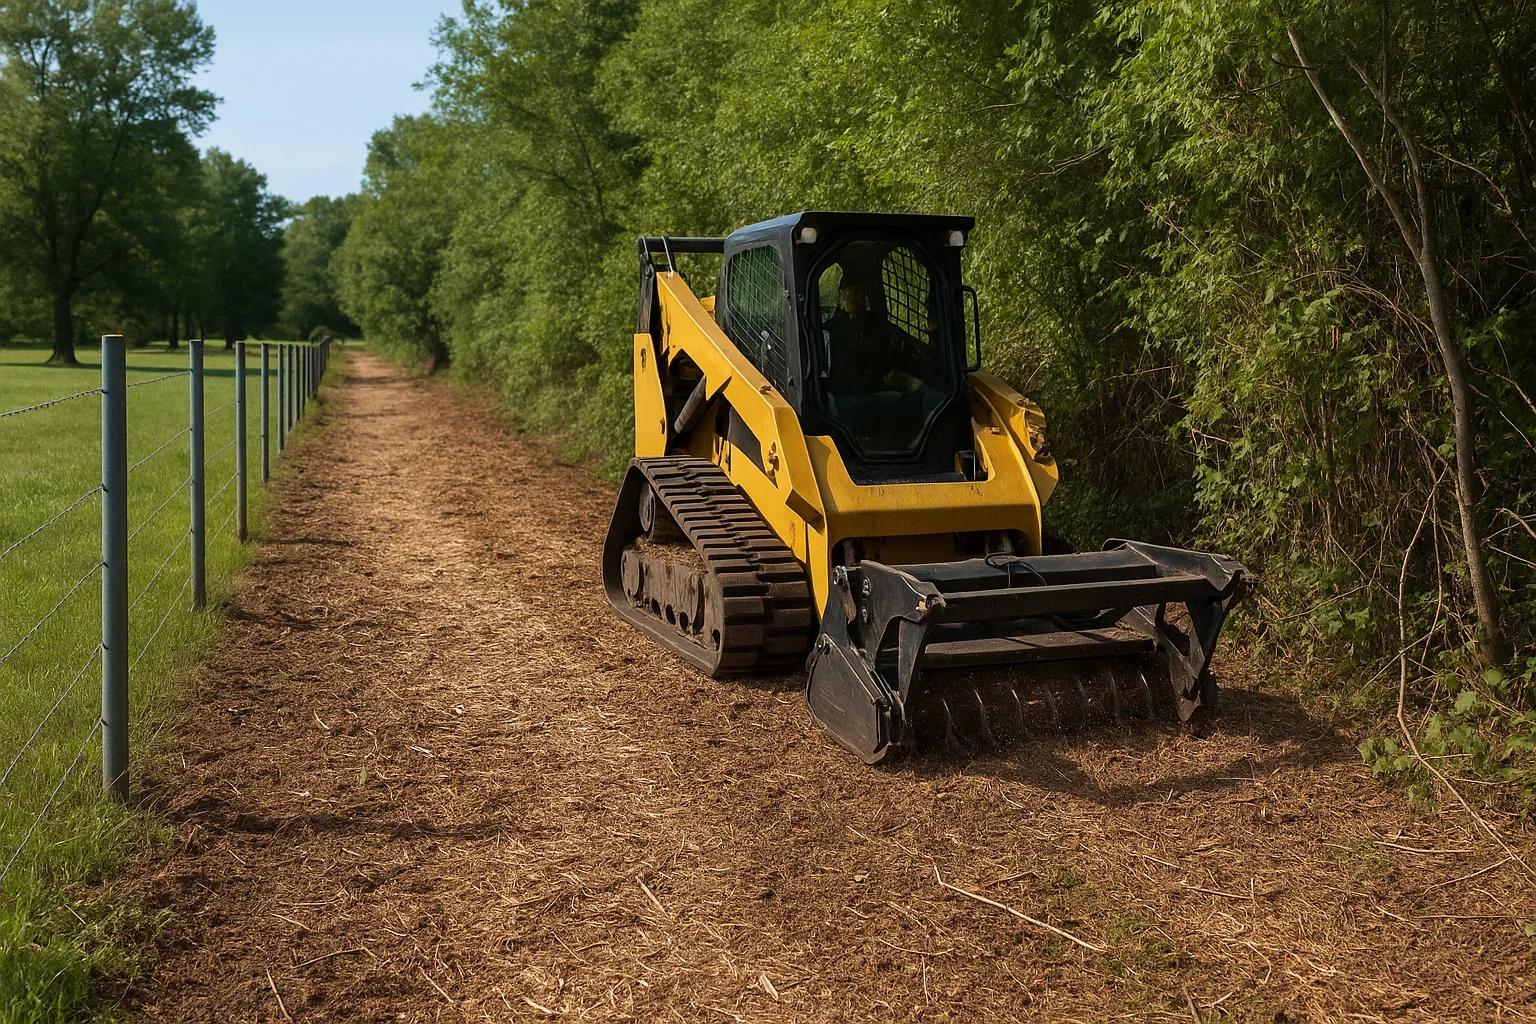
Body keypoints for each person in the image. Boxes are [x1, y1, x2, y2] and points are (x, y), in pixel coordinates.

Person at [822, 271, 926, 394]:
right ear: (841, 294)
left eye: (859, 292)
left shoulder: (875, 325)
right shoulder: (830, 331)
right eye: (851, 291)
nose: (856, 297)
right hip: (850, 392)